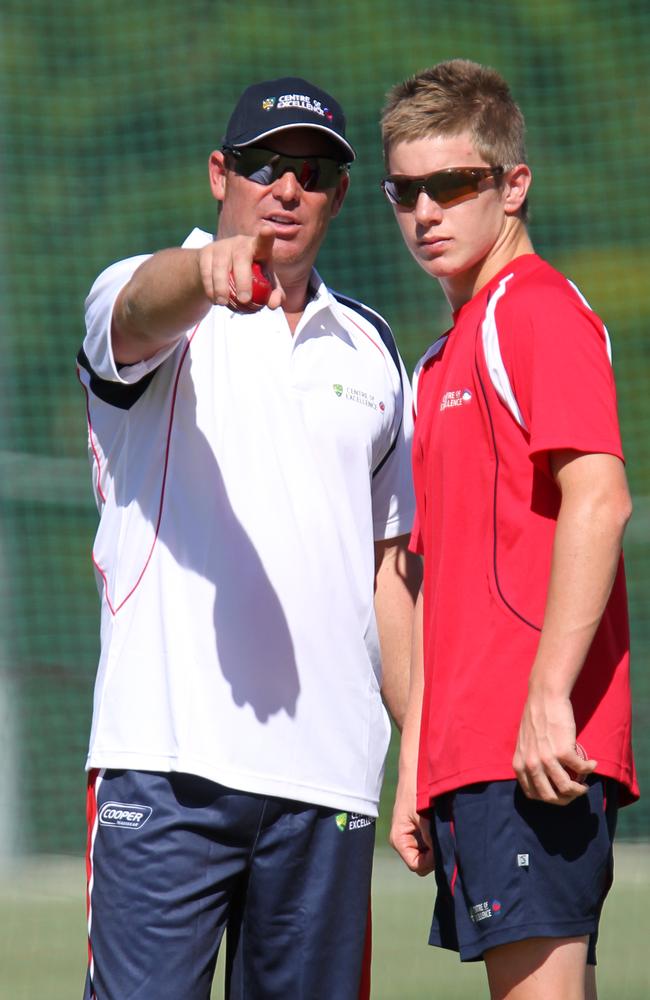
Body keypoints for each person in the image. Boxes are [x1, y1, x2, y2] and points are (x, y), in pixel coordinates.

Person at [77, 76, 421, 1000]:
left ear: (339, 196)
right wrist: (202, 275)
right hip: (167, 769)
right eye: (266, 165)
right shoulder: (153, 297)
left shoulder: (374, 349)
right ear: (220, 174)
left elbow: (389, 573)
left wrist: (420, 742)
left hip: (328, 788)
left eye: (312, 172)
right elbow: (132, 312)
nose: (287, 188)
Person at [380, 59, 638, 1000]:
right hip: (473, 758)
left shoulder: (534, 311)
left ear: (513, 183)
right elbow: (430, 590)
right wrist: (419, 761)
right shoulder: (441, 356)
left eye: (453, 183)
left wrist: (548, 699)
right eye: (405, 190)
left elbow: (601, 499)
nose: (426, 212)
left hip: (533, 748)